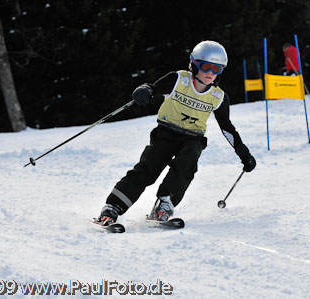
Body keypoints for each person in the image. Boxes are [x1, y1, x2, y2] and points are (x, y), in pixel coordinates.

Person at [95, 40, 256, 226]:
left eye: (217, 69)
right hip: (165, 134)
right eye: (206, 67)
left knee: (188, 162)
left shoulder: (218, 97)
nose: (211, 73)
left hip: (192, 138)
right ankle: (112, 208)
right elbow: (153, 88)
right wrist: (145, 90)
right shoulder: (179, 80)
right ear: (194, 64)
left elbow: (227, 128)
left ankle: (165, 204)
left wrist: (243, 153)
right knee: (147, 170)